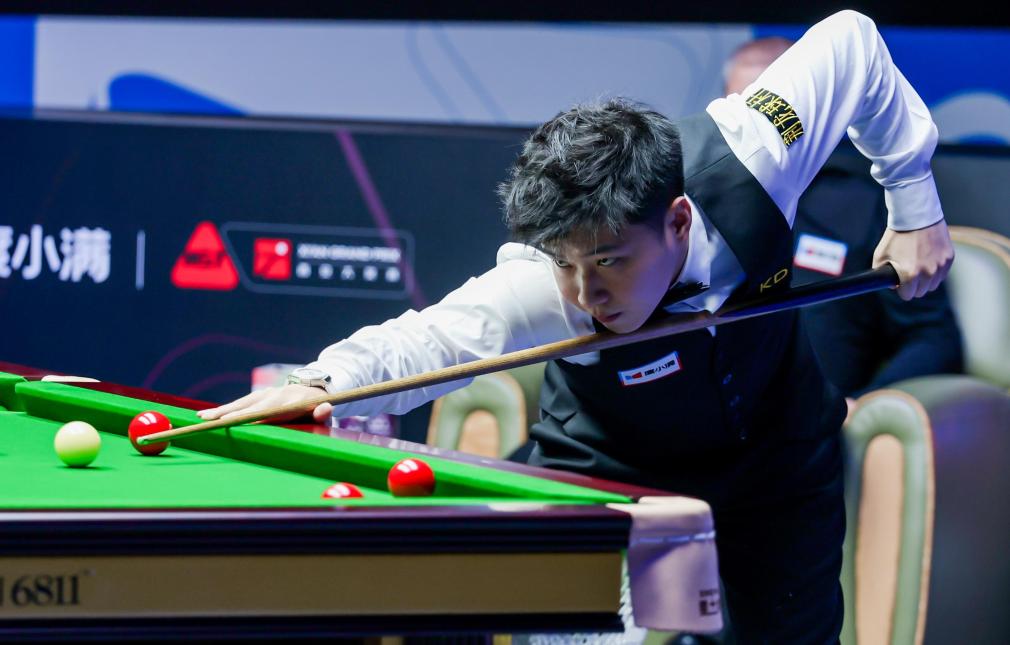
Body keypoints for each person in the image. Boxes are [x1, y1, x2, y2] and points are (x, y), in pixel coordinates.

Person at [198, 11, 954, 642]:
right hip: (605, 459)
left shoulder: (759, 147)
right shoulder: (544, 281)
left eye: (610, 261)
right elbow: (430, 339)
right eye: (566, 264)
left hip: (777, 451)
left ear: (677, 220)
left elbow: (853, 41)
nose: (588, 293)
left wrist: (915, 204)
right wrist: (320, 381)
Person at [725, 37, 964, 416]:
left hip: (814, 425)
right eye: (745, 117)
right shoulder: (691, 208)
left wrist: (864, 405)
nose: (758, 135)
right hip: (713, 416)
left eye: (769, 116)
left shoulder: (866, 205)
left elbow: (933, 338)